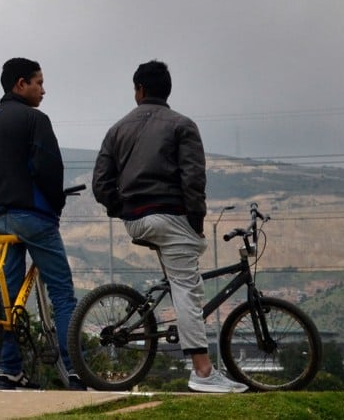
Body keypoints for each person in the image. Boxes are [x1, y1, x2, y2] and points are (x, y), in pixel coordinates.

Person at [92, 60, 248, 393]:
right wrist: (196, 222)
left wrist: (123, 209)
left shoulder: (116, 129)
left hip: (136, 220)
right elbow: (194, 178)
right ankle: (203, 373)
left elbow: (101, 184)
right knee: (188, 291)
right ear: (167, 89)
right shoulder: (182, 125)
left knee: (177, 280)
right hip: (172, 217)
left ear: (139, 90)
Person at [0, 57, 85, 390]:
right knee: (62, 294)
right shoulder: (35, 119)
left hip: (0, 218)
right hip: (34, 216)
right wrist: (56, 204)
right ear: (21, 84)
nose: (43, 90)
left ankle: (9, 371)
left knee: (7, 297)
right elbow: (49, 168)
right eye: (39, 83)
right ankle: (75, 370)